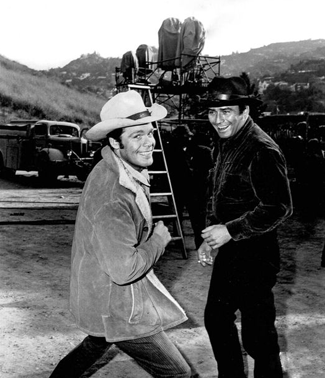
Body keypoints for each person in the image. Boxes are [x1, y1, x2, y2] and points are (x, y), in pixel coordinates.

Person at [49, 90, 192, 378]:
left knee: (95, 344)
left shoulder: (115, 167)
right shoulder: (114, 194)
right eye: (137, 136)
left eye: (149, 133)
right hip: (117, 303)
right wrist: (159, 242)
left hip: (101, 293)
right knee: (178, 373)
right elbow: (124, 270)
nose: (149, 142)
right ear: (115, 142)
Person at [197, 76, 293, 378]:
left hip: (256, 253)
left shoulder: (261, 149)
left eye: (226, 112)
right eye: (213, 112)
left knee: (258, 335)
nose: (218, 120)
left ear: (244, 111)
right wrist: (212, 237)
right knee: (217, 318)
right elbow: (223, 195)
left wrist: (229, 231)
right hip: (231, 250)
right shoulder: (228, 142)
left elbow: (279, 206)